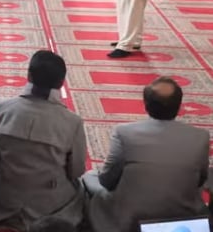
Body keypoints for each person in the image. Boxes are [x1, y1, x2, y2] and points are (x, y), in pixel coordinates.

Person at [83, 77, 209, 232]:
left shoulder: (125, 132)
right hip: (182, 216)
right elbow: (200, 180)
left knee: (89, 177)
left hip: (129, 219)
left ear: (146, 104)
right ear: (179, 106)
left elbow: (107, 180)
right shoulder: (200, 137)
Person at [0, 51, 86, 230]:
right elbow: (76, 170)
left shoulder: (2, 108)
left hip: (4, 199)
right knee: (84, 188)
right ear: (61, 83)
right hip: (49, 205)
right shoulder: (72, 121)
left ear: (28, 75)